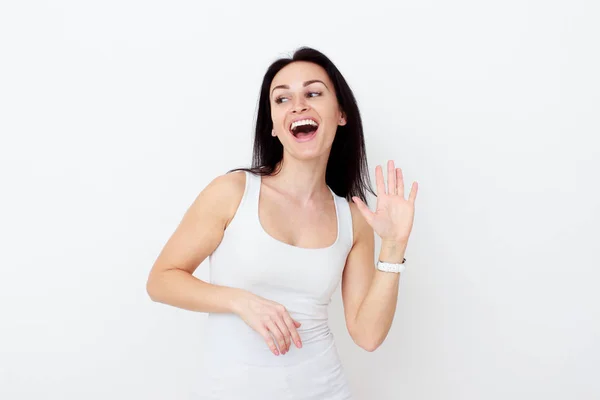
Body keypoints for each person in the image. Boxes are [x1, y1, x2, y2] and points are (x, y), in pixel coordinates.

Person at [146, 46, 419, 399]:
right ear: (273, 126)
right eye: (282, 99)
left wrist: (394, 247)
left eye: (313, 93)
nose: (298, 105)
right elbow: (161, 280)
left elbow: (367, 335)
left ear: (341, 114)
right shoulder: (232, 192)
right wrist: (240, 301)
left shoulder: (353, 219)